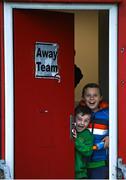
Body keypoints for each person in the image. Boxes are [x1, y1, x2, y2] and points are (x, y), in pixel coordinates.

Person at [77, 83, 109, 179]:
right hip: (81, 162)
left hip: (100, 163)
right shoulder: (79, 113)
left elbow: (117, 129)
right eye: (88, 95)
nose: (91, 98)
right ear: (83, 97)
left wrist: (110, 137)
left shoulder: (108, 113)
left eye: (95, 95)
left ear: (100, 98)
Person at [74, 105, 93, 179]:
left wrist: (75, 140)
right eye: (79, 119)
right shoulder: (69, 130)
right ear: (74, 118)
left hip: (81, 174)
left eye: (86, 121)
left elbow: (88, 151)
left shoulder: (88, 135)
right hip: (65, 170)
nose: (82, 123)